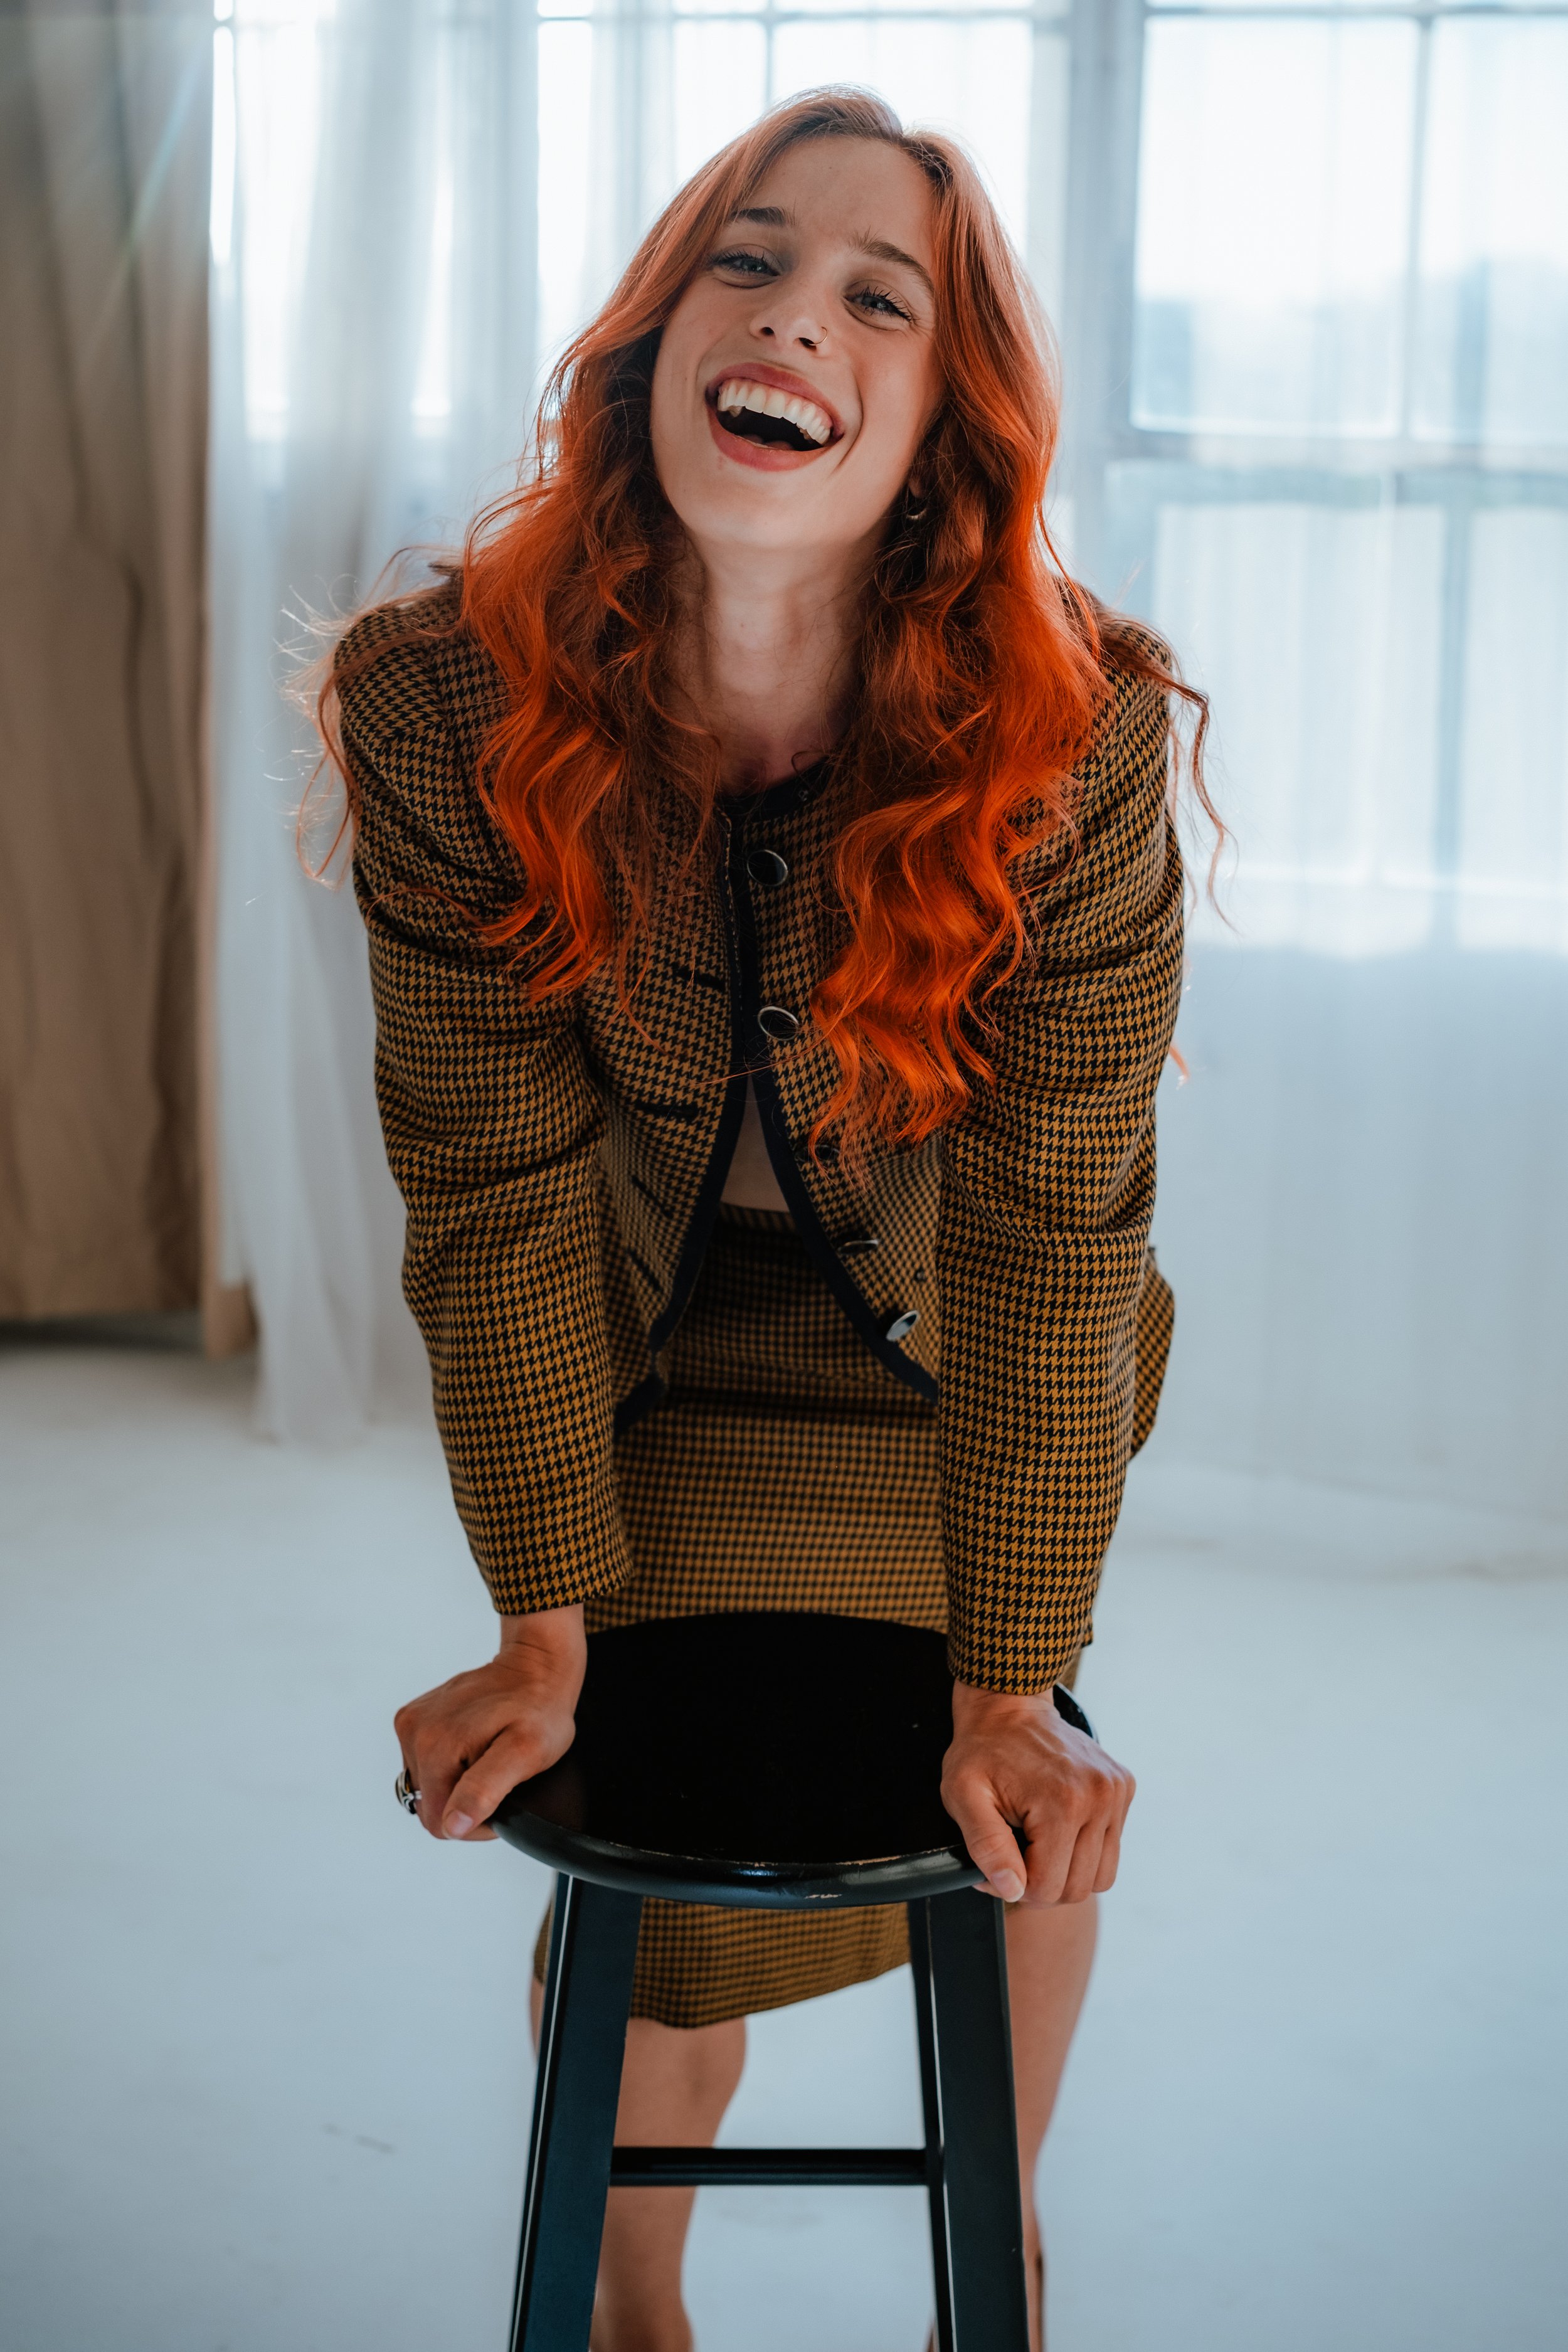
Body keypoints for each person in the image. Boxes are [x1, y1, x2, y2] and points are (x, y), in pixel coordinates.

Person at [324, 87, 1207, 2352]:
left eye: (873, 297)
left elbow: (1049, 1238)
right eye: (747, 258)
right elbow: (494, 1193)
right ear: (653, 340)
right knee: (658, 1843)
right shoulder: (441, 705)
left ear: (937, 430)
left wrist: (1016, 1679)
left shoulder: (1071, 738)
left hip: (947, 1351)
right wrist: (544, 1619)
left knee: (1018, 1788)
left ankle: (985, 2242)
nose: (793, 312)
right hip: (643, 1338)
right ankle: (632, 2309)